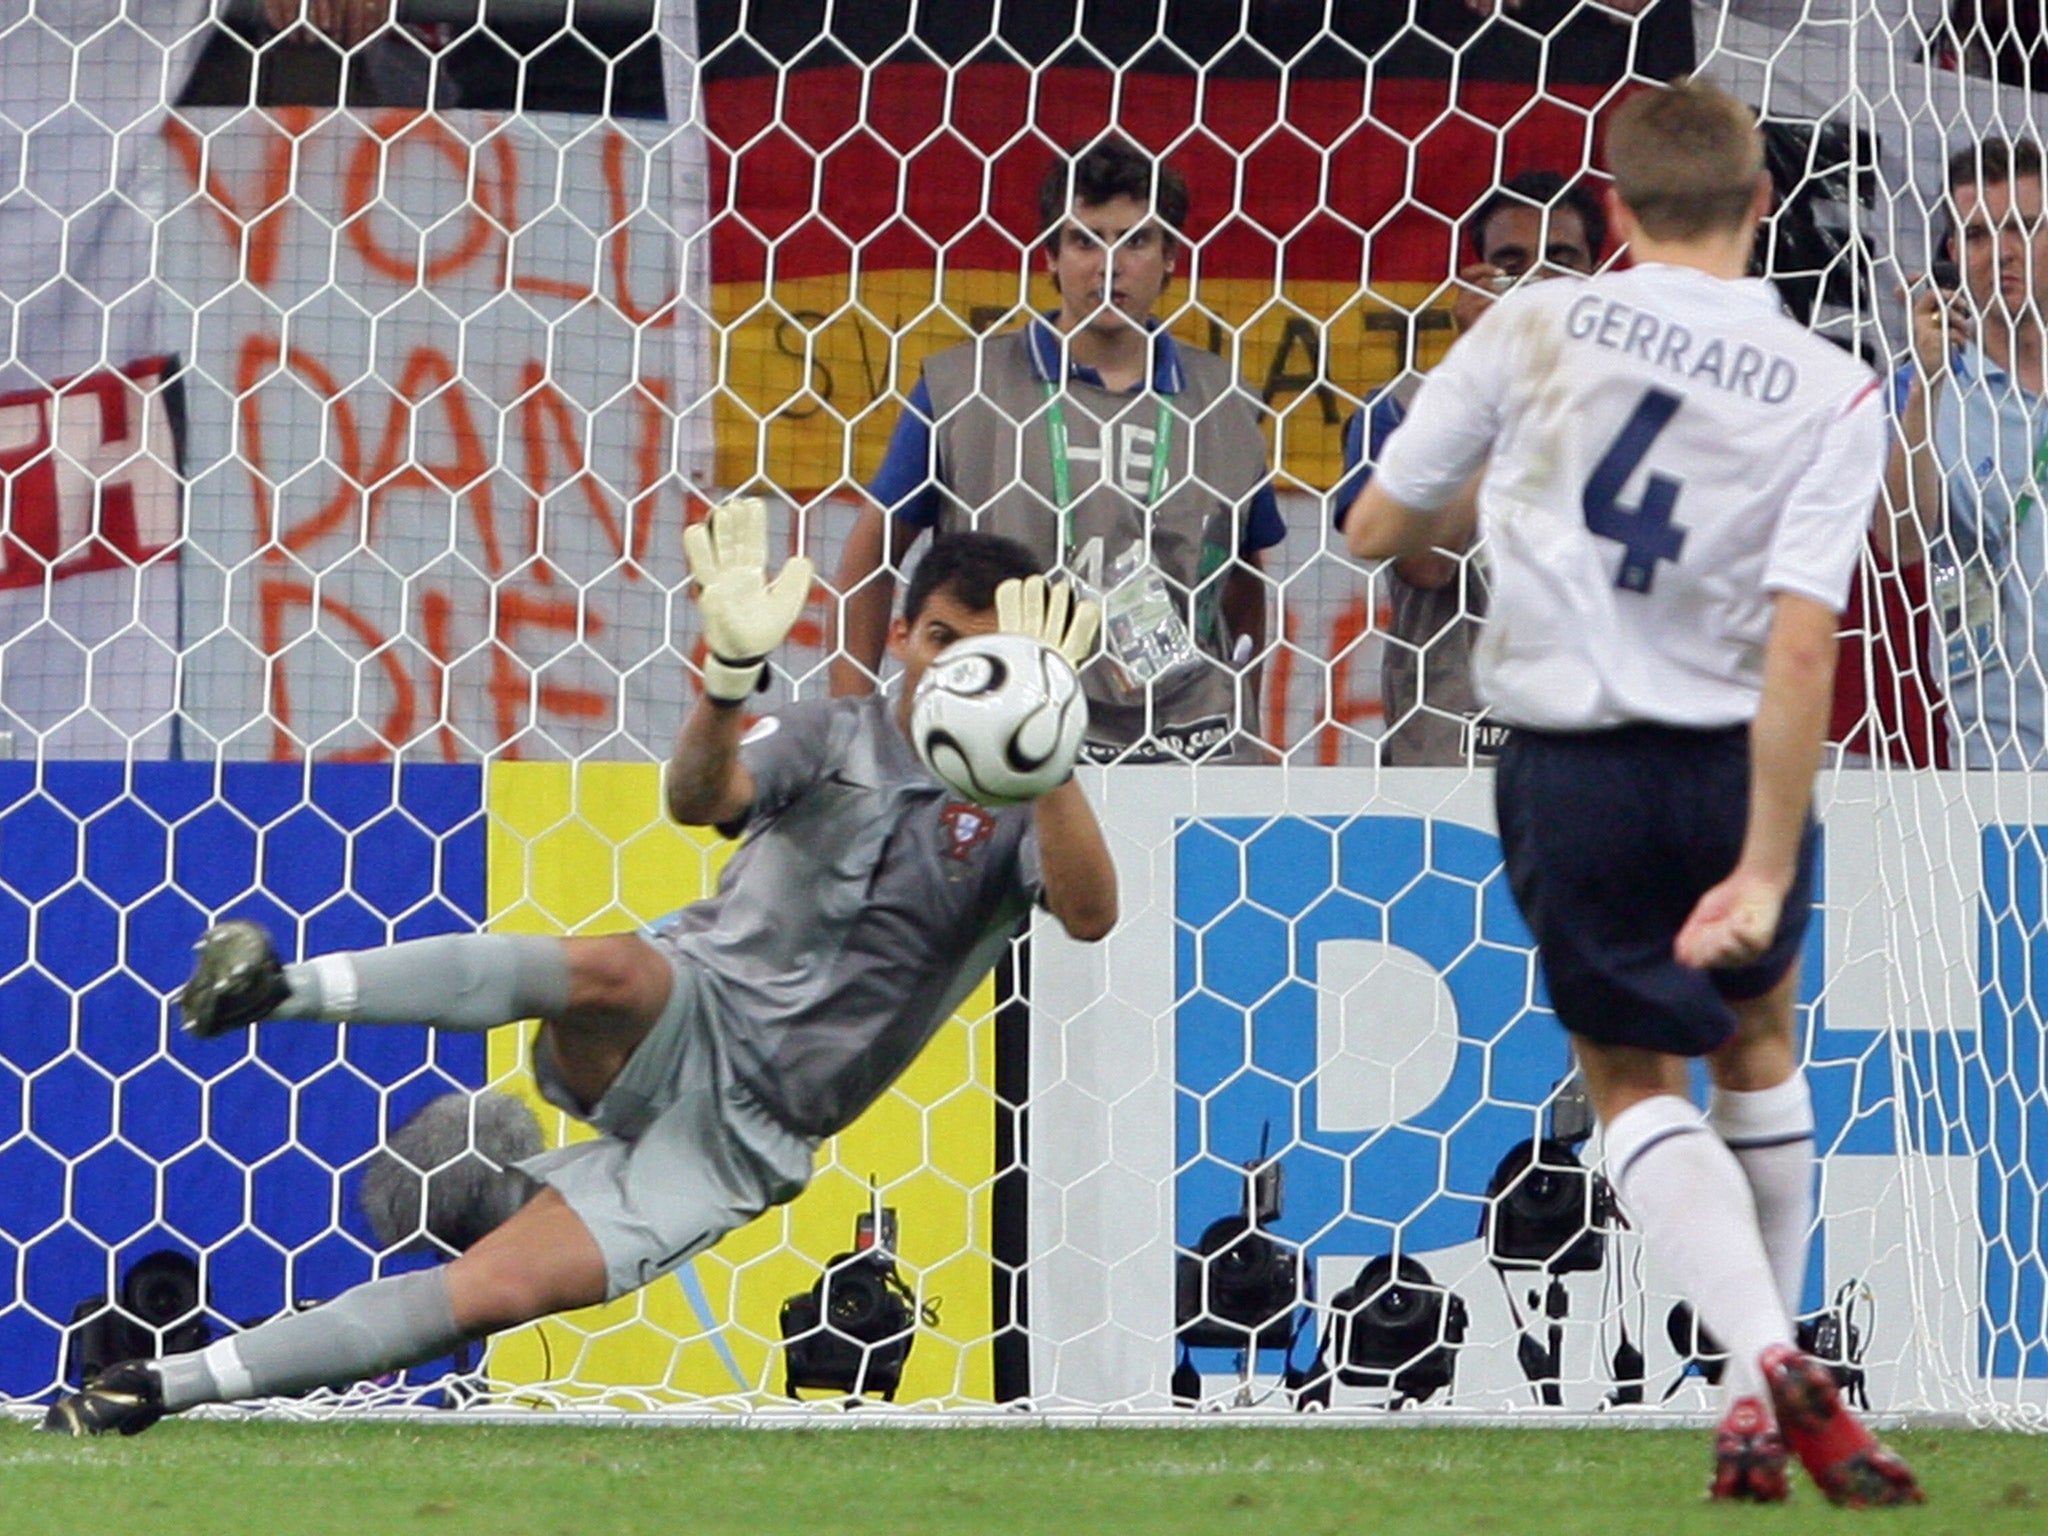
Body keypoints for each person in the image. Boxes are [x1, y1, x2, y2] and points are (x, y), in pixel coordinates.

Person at [40, 508, 1118, 1436]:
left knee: (493, 1292)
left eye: (988, 658)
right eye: (939, 641)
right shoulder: (832, 734)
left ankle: (160, 1386)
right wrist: (726, 680)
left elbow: (1089, 915)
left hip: (745, 1141)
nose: (953, 676)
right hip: (682, 1016)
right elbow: (698, 799)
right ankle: (282, 989)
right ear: (897, 636)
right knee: (613, 968)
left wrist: (1048, 752)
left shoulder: (1028, 807)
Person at [1345, 79, 1919, 1505]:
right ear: (1764, 205)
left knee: (1628, 1082)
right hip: (1732, 761)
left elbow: (1377, 525)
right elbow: (1806, 638)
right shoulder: (1834, 383)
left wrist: (1481, 501)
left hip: (1572, 765)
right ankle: (1754, 1388)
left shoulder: (1534, 323)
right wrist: (1770, 863)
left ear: (1611, 208)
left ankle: (1759, 1354)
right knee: (1758, 1047)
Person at [833, 138, 1286, 764]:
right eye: (1085, 240)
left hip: (1188, 737)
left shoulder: (1225, 402)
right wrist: (855, 732)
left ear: (1170, 259)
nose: (1109, 264)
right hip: (1009, 723)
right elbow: (870, 555)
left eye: (1135, 240)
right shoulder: (965, 388)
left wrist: (1249, 726)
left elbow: (1244, 580)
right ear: (1050, 257)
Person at [1336, 171, 1607, 765]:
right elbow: (1426, 566)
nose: (1537, 278)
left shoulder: (1635, 413)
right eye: (1513, 261)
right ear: (1476, 278)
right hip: (1448, 753)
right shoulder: (1399, 409)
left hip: (1599, 749)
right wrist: (1494, 378)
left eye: (1560, 259)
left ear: (1597, 277)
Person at [1880, 138, 2048, 770]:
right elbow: (1899, 544)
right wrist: (1927, 383)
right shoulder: (1922, 390)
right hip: (1998, 753)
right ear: (1952, 253)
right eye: (1977, 235)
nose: (2001, 252)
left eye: (2024, 228)